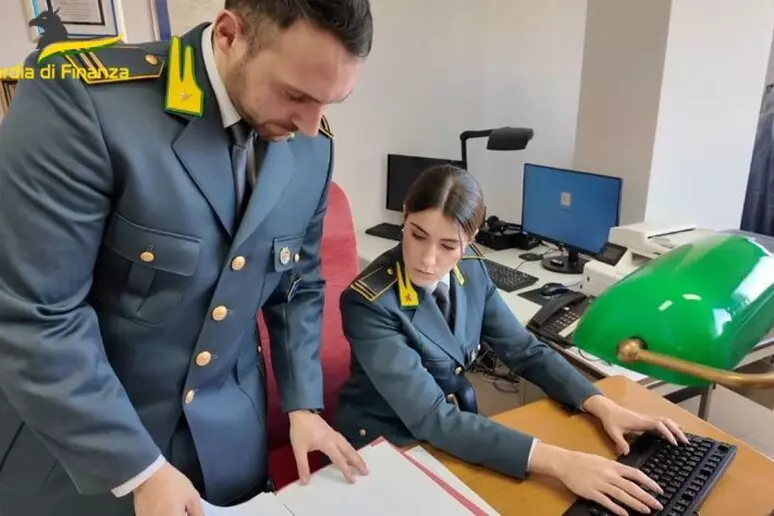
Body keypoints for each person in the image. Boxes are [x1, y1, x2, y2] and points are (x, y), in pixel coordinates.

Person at [0, 1, 372, 515]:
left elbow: (297, 286)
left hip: (228, 452)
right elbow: (36, 314)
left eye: (330, 103)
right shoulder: (84, 102)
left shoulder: (311, 147)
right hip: (84, 457)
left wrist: (303, 404)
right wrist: (139, 468)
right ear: (229, 35)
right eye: (295, 95)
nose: (310, 125)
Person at [334, 164, 690, 516]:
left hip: (452, 431)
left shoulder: (471, 267)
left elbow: (525, 351)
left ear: (470, 240)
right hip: (387, 442)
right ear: (405, 216)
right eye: (417, 235)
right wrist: (562, 462)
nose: (428, 259)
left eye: (448, 245)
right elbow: (431, 416)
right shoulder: (369, 302)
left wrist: (601, 405)